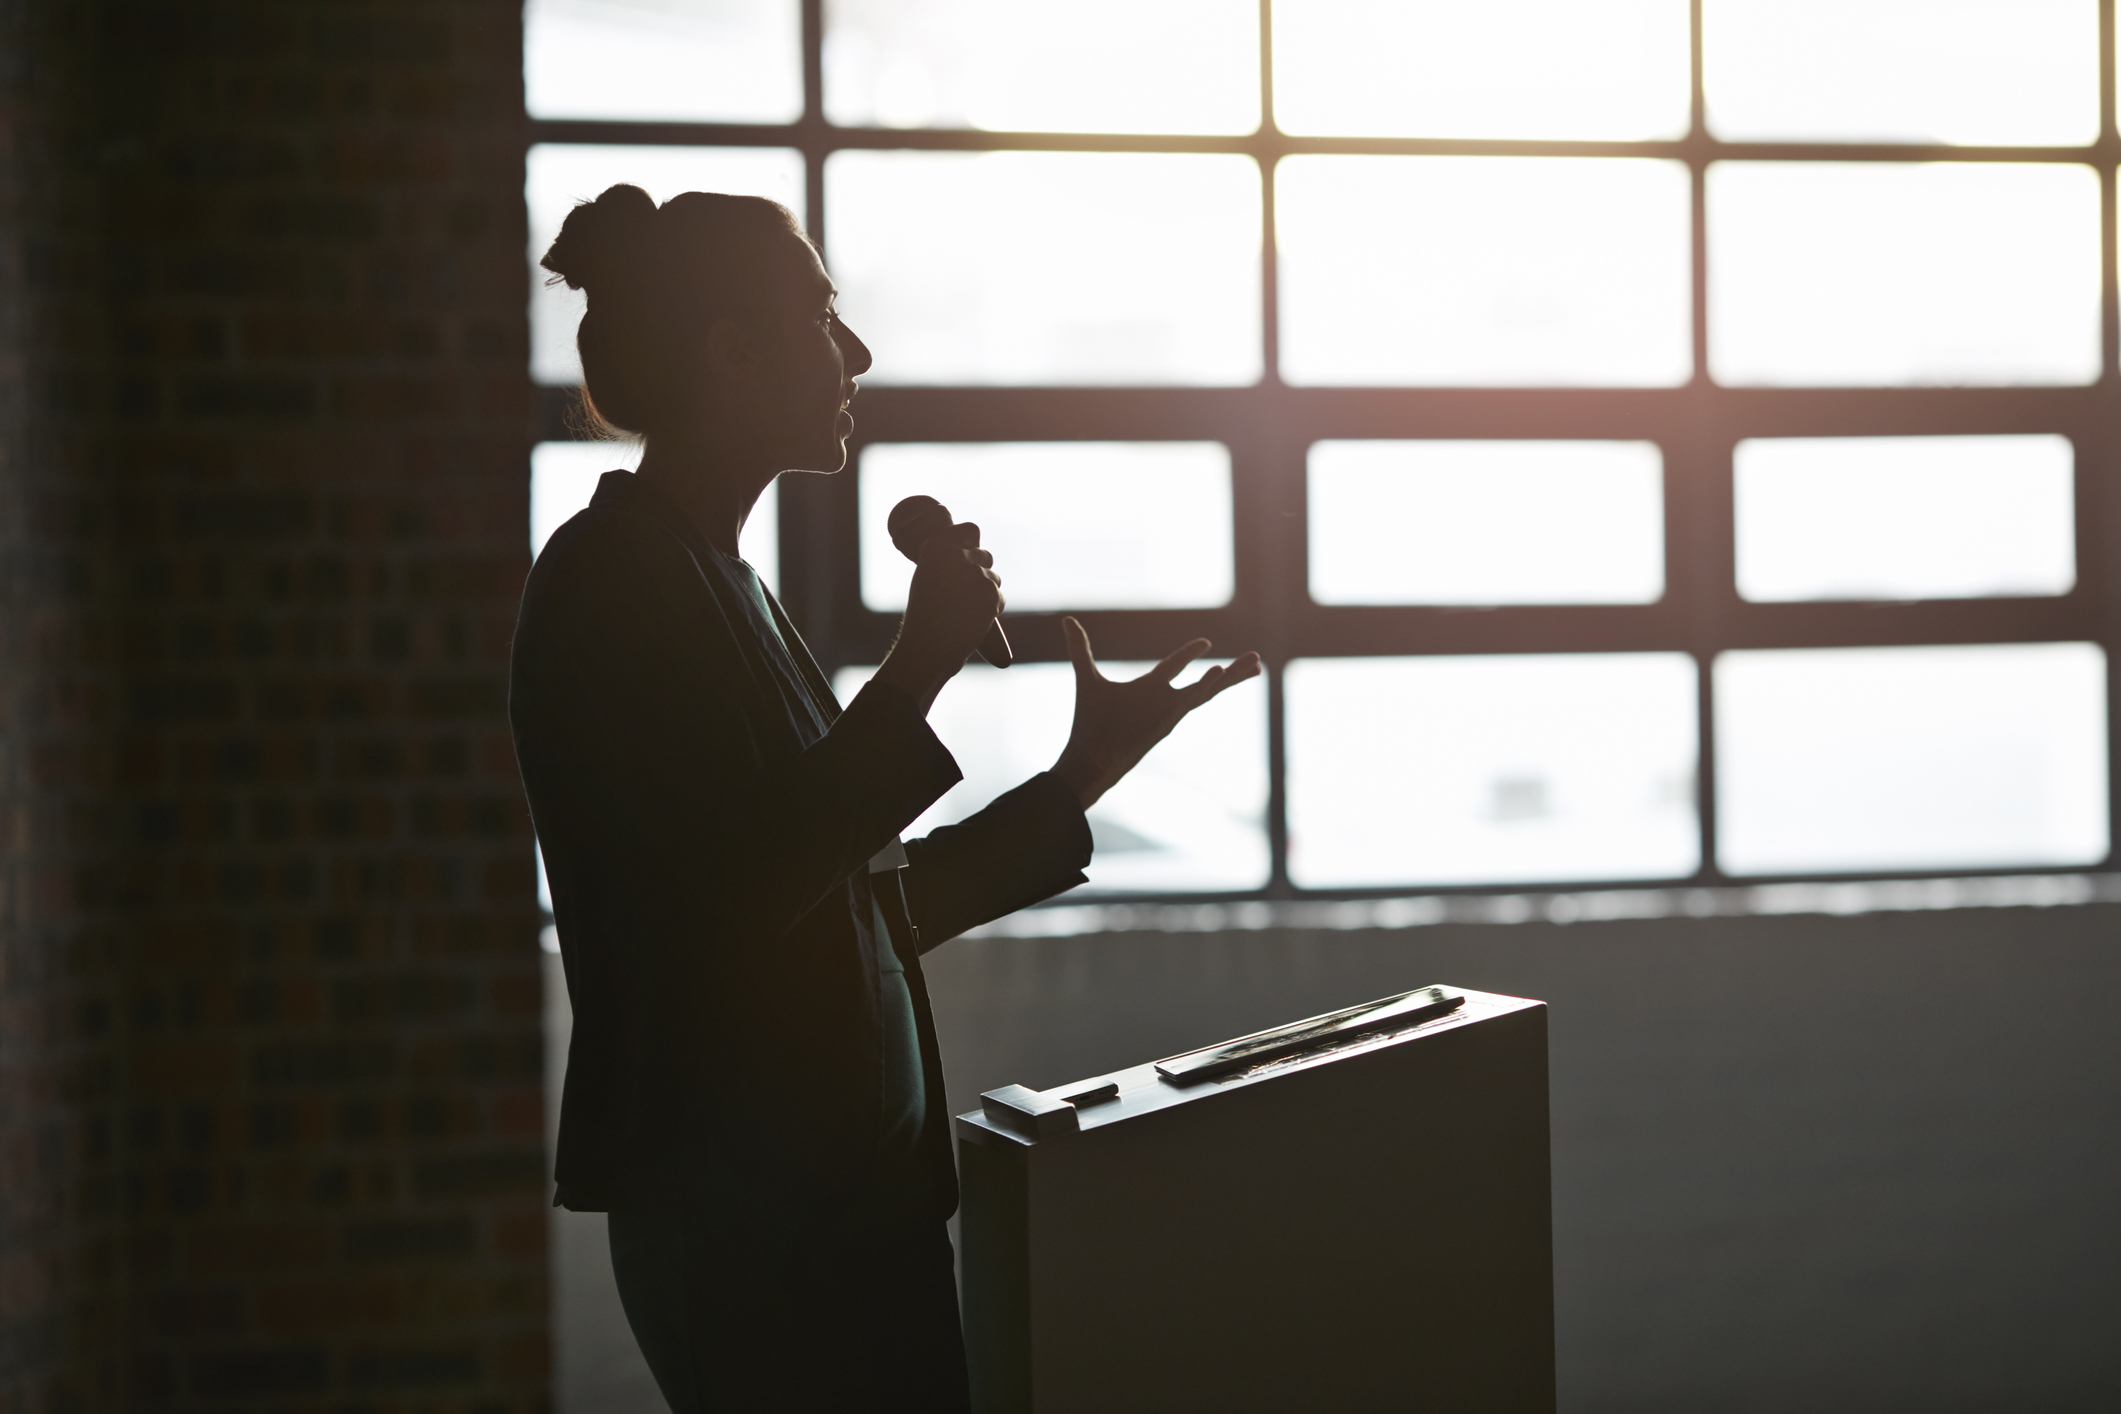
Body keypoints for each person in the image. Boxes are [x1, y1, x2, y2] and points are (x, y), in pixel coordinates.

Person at [511, 183, 1260, 1411]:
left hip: (844, 1212)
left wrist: (1078, 778)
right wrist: (917, 664)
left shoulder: (724, 585)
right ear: (731, 350)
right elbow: (735, 894)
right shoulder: (609, 583)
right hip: (750, 1225)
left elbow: (852, 907)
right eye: (821, 316)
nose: (855, 354)